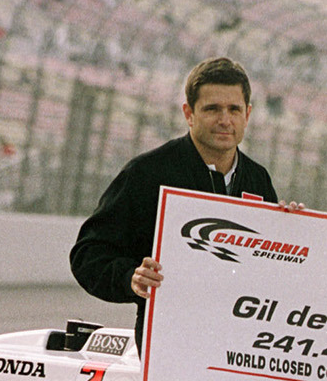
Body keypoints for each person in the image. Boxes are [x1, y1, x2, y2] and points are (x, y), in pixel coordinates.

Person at [70, 56, 295, 348]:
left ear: (247, 115)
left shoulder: (257, 179)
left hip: (238, 346)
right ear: (189, 113)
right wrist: (131, 278)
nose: (225, 119)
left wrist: (291, 229)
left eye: (234, 109)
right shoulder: (147, 173)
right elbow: (88, 255)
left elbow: (273, 272)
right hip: (169, 347)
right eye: (212, 109)